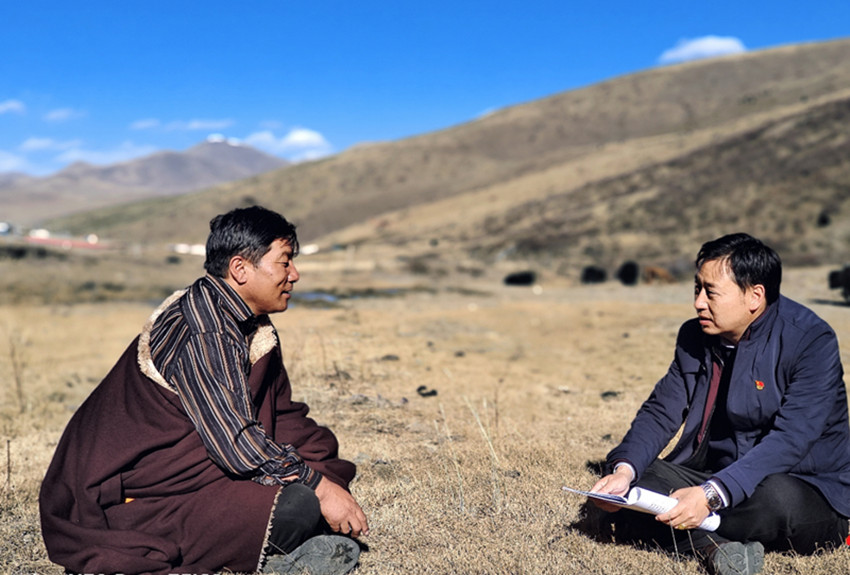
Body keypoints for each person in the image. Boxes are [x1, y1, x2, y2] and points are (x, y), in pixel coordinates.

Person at [40, 206, 368, 575]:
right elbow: (235, 445)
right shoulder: (204, 332)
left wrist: (318, 469)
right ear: (240, 269)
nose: (294, 274)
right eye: (285, 262)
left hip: (205, 466)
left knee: (319, 449)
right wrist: (320, 487)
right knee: (299, 505)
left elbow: (282, 413)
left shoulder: (250, 321)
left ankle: (282, 539)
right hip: (139, 493)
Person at [589, 233, 850, 575]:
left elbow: (792, 439)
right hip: (718, 475)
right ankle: (716, 550)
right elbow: (661, 411)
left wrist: (711, 495)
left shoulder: (810, 341)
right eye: (697, 289)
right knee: (635, 479)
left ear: (755, 296)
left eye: (710, 292)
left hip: (803, 484)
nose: (698, 303)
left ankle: (667, 528)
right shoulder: (695, 336)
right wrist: (624, 472)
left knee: (775, 499)